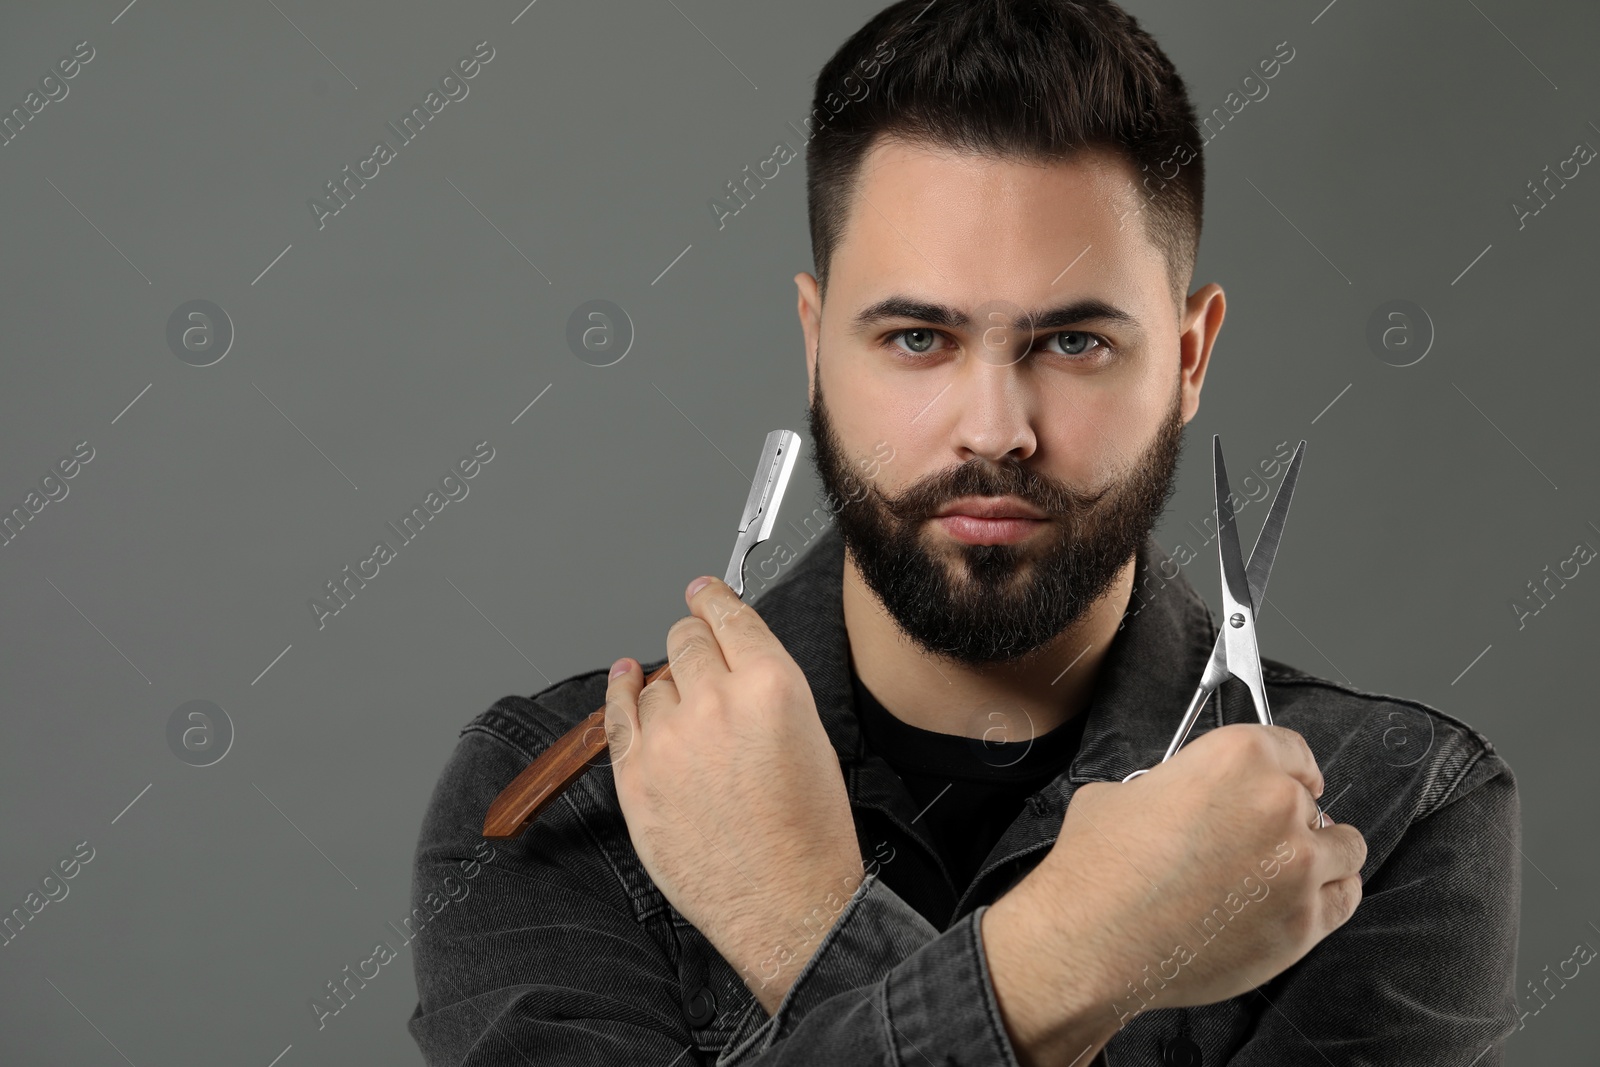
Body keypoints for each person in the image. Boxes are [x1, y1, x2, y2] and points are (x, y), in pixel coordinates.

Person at [406, 1, 1520, 1063]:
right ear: (814, 344)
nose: (995, 427)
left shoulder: (1387, 809)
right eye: (916, 339)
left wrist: (799, 919)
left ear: (1187, 359)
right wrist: (1063, 965)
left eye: (1074, 343)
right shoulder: (563, 805)